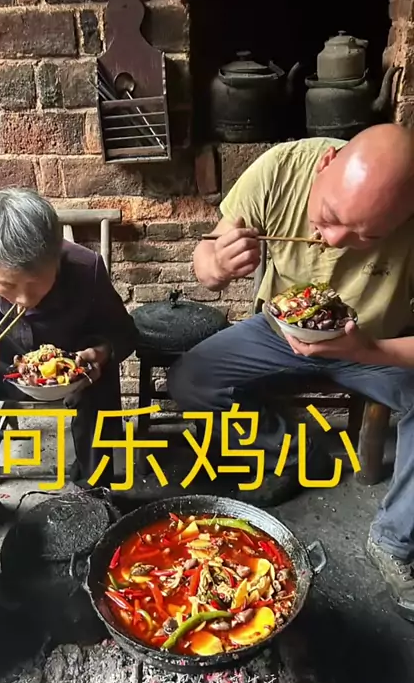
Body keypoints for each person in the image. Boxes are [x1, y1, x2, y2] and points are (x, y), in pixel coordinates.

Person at [167, 124, 414, 622]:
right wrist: (217, 264)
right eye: (330, 217)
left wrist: (368, 348)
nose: (336, 240)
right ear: (326, 166)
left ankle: (394, 540)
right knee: (190, 379)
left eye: (367, 236)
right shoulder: (282, 170)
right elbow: (205, 260)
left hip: (371, 342)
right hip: (278, 331)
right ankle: (296, 447)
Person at [0, 186, 138, 504]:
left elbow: (123, 332)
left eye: (36, 283)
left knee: (103, 380)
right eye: (7, 285)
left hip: (67, 373)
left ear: (57, 258)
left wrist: (101, 353)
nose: (24, 299)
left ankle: (95, 491)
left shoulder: (85, 268)